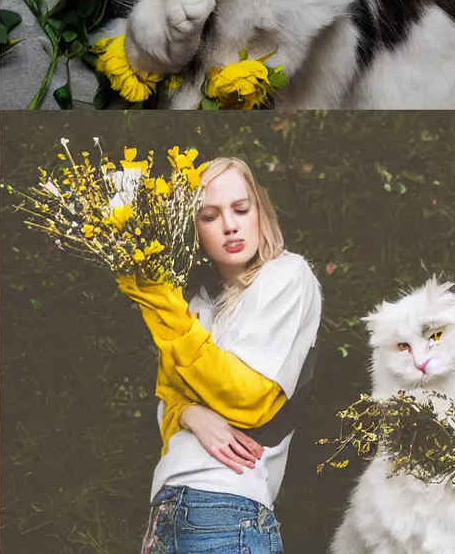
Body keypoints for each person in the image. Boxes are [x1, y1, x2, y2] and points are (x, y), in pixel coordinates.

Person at [119, 157, 323, 553]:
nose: (230, 224)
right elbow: (165, 405)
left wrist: (163, 308)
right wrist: (190, 414)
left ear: (260, 212)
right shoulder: (196, 303)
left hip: (227, 506)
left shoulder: (286, 276)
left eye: (241, 209)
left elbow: (250, 397)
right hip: (166, 508)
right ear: (193, 228)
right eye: (210, 216)